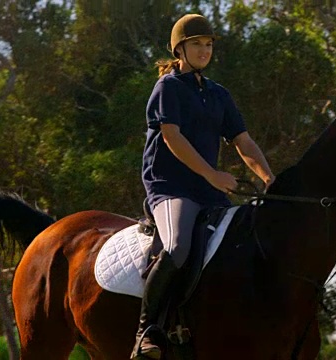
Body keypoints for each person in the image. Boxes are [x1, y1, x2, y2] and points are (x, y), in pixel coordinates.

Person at [132, 14, 275, 360]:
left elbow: (243, 141)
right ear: (179, 48)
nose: (204, 50)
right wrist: (213, 175)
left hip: (208, 191)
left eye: (208, 44)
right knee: (178, 246)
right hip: (169, 186)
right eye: (196, 43)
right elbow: (171, 137)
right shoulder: (168, 87)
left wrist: (269, 178)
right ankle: (145, 331)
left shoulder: (218, 94)